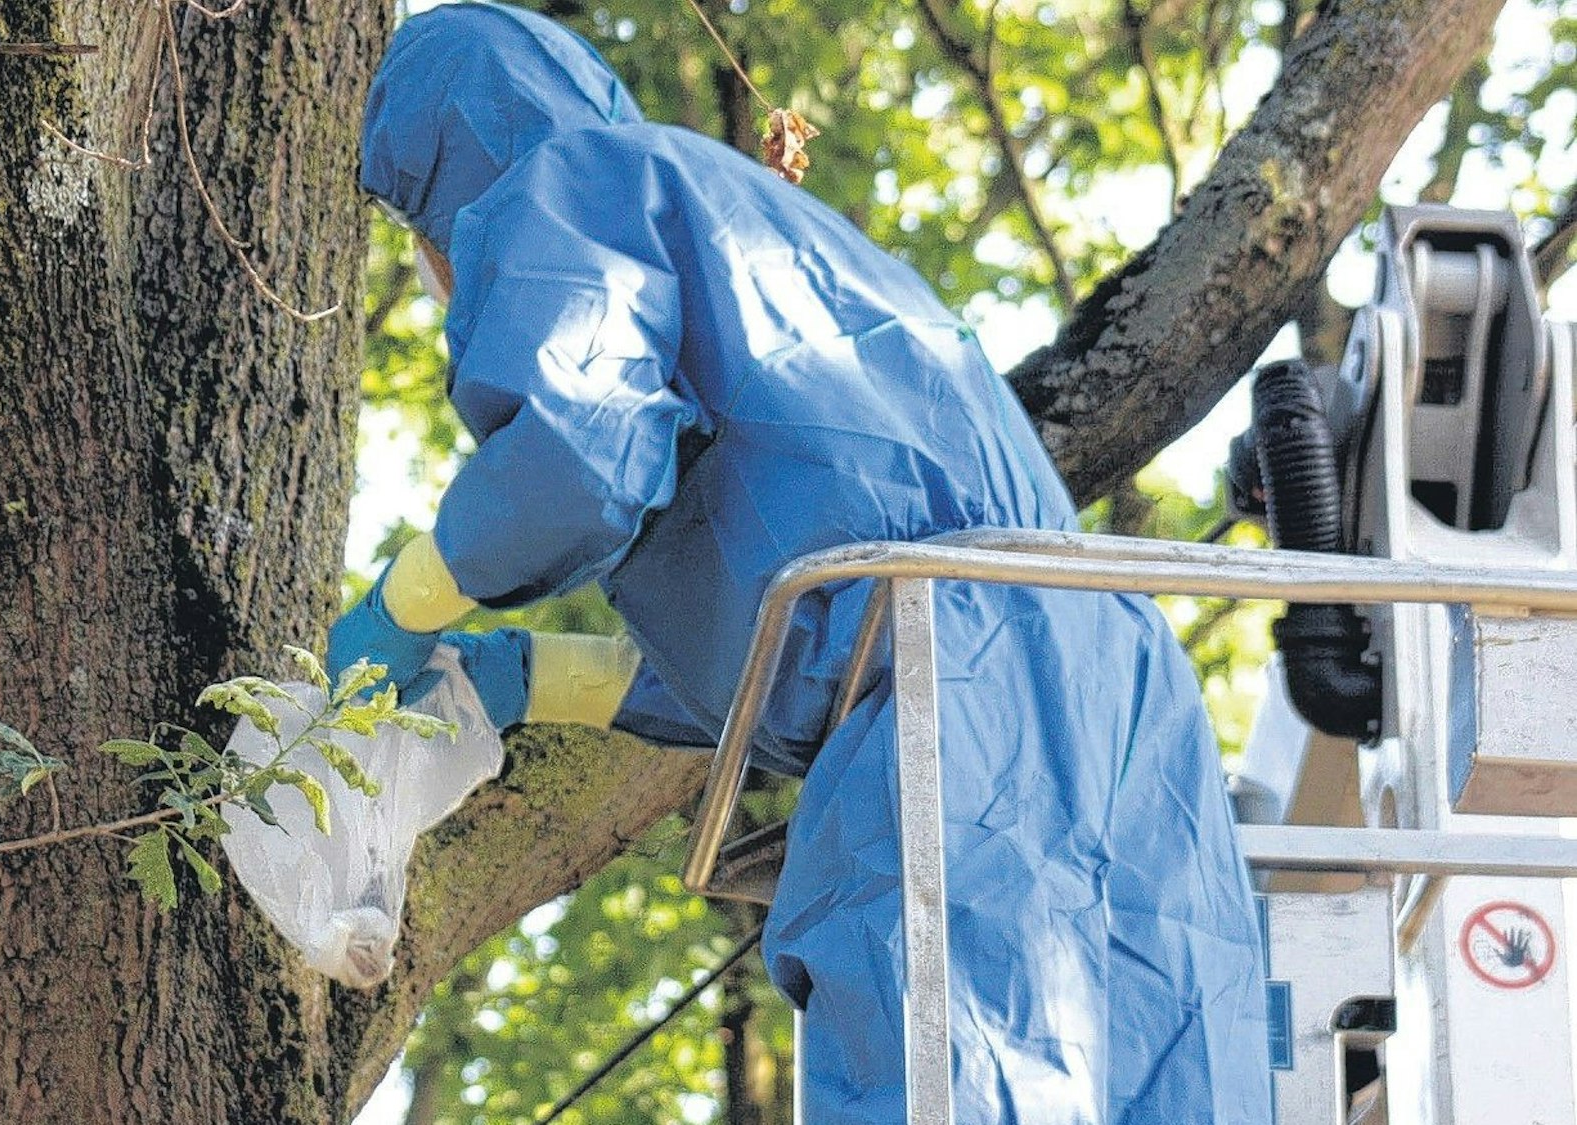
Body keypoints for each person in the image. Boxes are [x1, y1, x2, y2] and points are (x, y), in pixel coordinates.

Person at [333, 4, 1272, 1122]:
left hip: (944, 684)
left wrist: (406, 600)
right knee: (1165, 1074)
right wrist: (539, 678)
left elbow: (578, 462)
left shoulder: (560, 184)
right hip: (1105, 678)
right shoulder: (733, 220)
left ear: (439, 176)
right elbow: (792, 607)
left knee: (942, 1075)